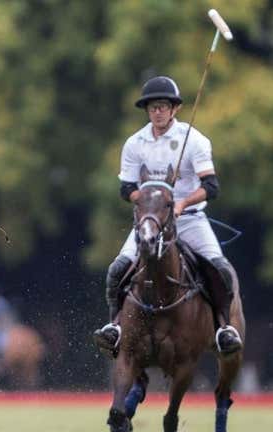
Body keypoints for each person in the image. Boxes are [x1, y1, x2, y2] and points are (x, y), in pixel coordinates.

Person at [92, 75, 243, 356]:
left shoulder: (193, 140)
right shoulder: (135, 143)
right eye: (152, 107)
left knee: (220, 269)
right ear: (147, 111)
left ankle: (224, 328)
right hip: (151, 221)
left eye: (163, 106)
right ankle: (115, 327)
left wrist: (180, 204)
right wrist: (153, 205)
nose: (157, 112)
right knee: (117, 270)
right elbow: (127, 189)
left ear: (175, 109)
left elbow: (211, 187)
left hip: (190, 220)